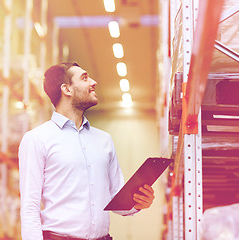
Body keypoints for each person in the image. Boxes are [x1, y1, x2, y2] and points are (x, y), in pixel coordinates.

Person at [19, 62, 155, 240]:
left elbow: (118, 201)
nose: (94, 82)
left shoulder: (104, 140)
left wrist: (138, 203)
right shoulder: (37, 139)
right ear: (67, 89)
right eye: (84, 78)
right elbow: (30, 206)